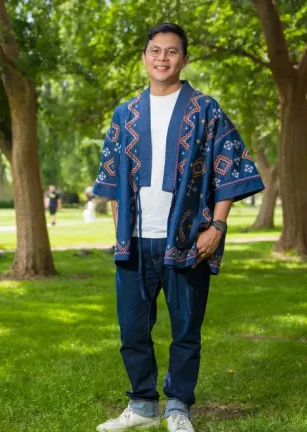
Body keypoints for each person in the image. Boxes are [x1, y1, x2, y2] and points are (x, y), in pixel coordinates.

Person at [92, 23, 264, 432]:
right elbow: (112, 173)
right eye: (155, 50)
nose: (163, 58)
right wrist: (118, 221)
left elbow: (230, 170)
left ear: (184, 59)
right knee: (132, 328)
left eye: (172, 52)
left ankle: (178, 407)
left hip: (187, 239)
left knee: (186, 329)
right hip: (135, 240)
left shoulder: (206, 109)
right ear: (144, 57)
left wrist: (217, 226)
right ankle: (142, 404)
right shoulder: (126, 112)